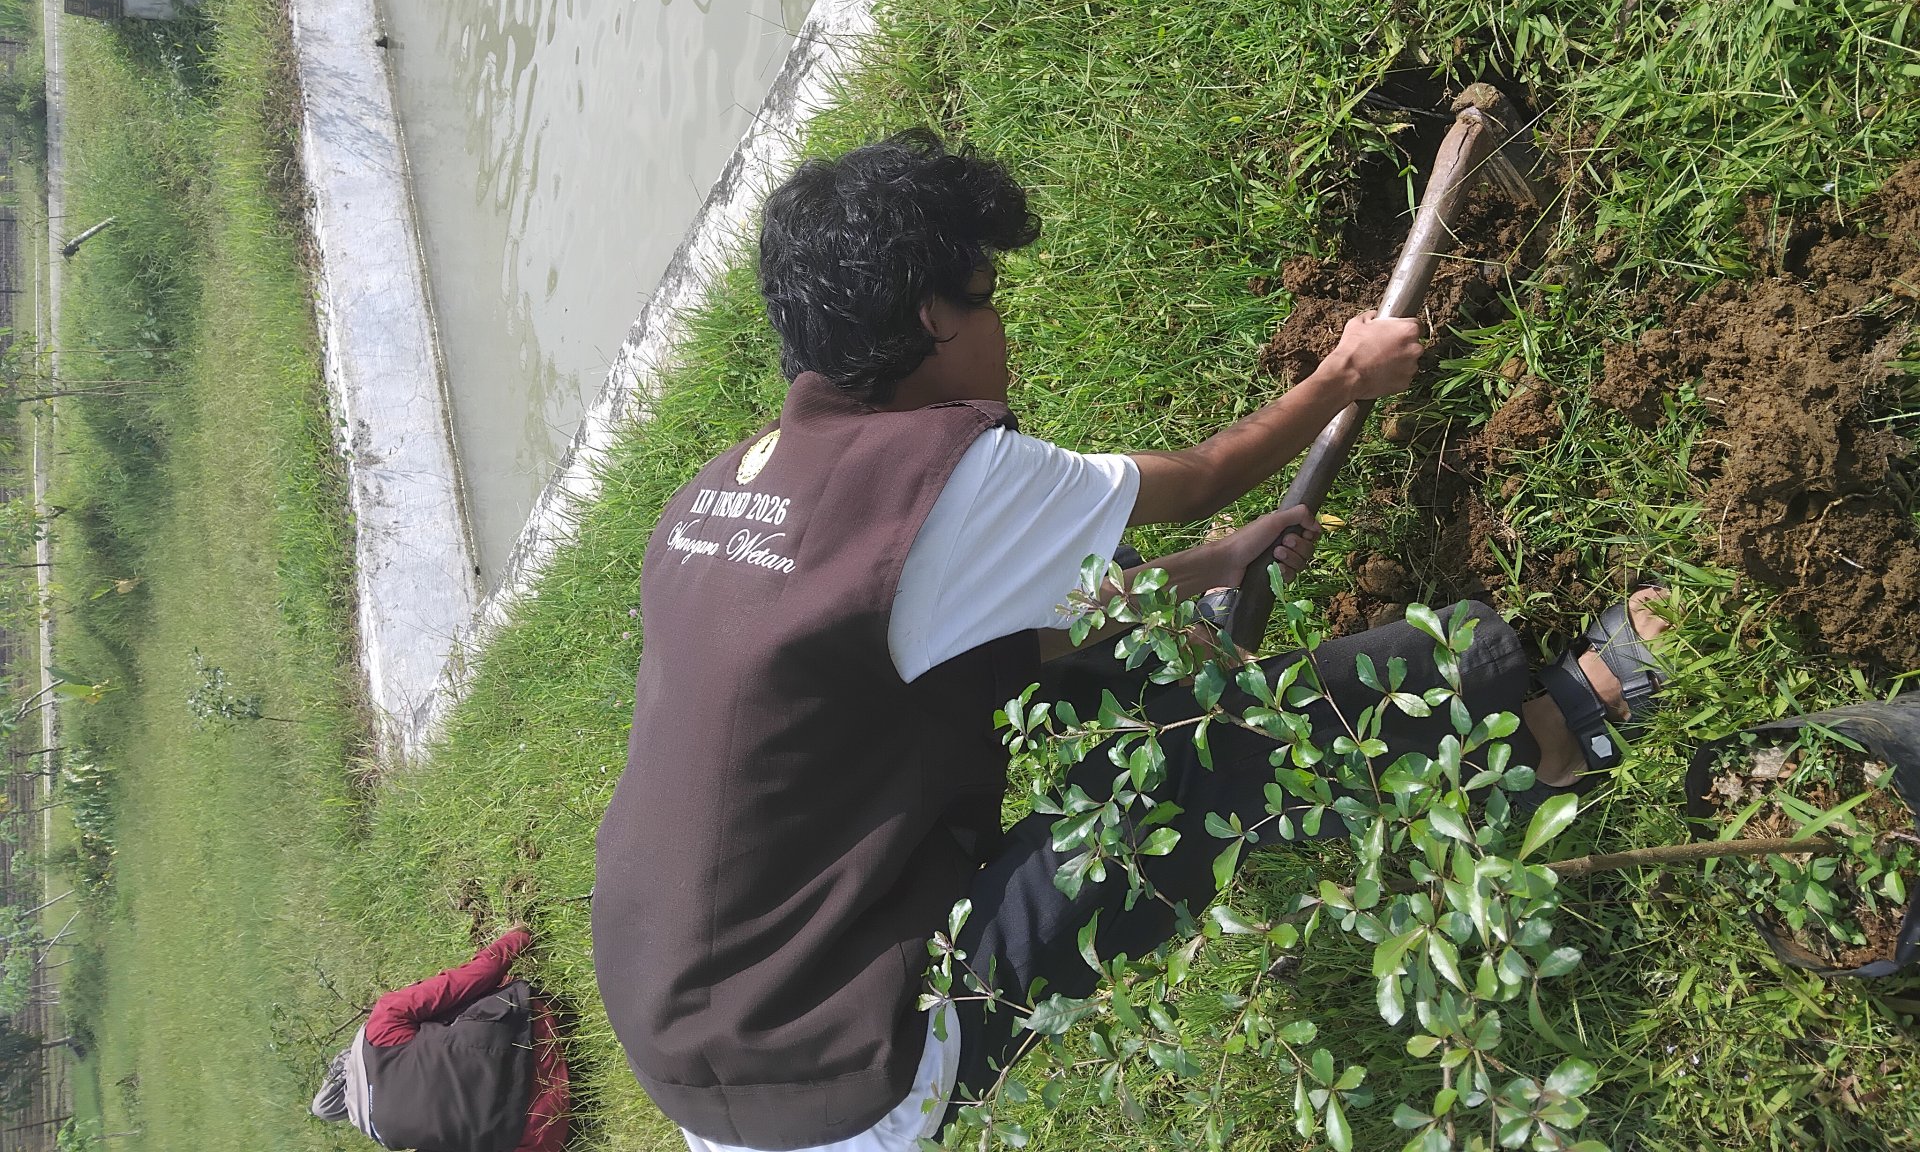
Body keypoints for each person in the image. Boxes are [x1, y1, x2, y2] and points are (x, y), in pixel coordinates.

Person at [591, 130, 1670, 1152]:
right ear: (932, 318)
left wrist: (1199, 577)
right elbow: (1204, 473)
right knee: (1190, 766)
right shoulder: (933, 477)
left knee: (1104, 684)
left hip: (692, 1030)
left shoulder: (717, 496)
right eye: (990, 302)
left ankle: (1274, 654)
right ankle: (1560, 724)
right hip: (838, 1068)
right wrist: (1344, 373)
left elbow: (949, 641)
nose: (1001, 330)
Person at [310, 925, 570, 1151]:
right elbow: (469, 980)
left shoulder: (389, 1136)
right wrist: (518, 937)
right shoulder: (380, 1027)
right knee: (444, 1011)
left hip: (547, 1126)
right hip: (538, 1026)